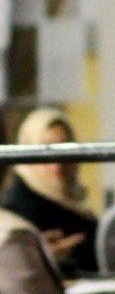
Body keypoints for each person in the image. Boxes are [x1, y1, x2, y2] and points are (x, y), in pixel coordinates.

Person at [1, 105, 101, 273]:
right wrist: (42, 258)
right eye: (45, 151)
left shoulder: (75, 201)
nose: (57, 163)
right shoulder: (18, 209)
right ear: (27, 151)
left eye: (65, 150)